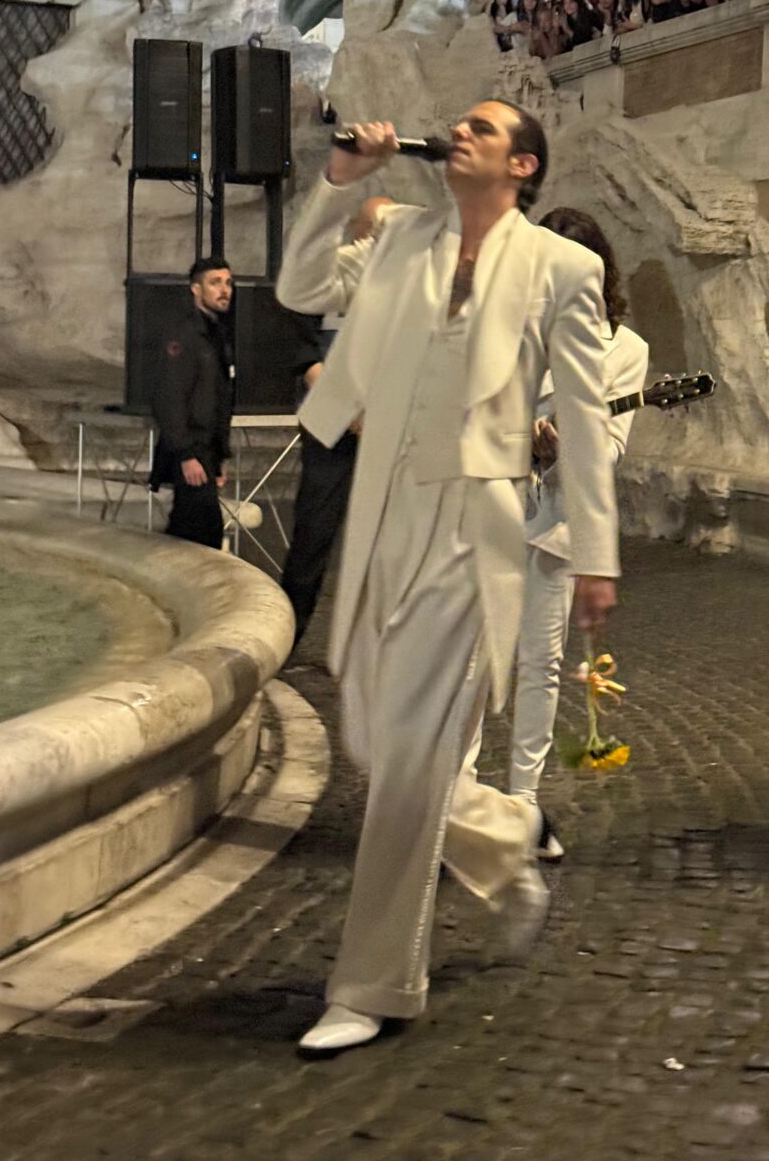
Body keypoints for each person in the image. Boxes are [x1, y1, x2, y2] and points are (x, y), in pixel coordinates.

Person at [276, 101, 620, 1056]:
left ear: (524, 164)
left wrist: (596, 556)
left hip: (479, 527)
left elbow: (588, 424)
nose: (456, 133)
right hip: (386, 516)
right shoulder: (402, 238)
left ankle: (373, 983)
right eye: (458, 124)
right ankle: (503, 841)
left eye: (481, 125)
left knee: (412, 758)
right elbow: (301, 288)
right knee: (378, 746)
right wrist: (342, 183)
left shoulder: (563, 268)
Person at [508, 208, 648, 857]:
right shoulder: (506, 326)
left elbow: (610, 449)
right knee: (473, 663)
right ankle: (455, 800)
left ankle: (522, 805)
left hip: (556, 523)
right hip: (488, 509)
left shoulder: (625, 350)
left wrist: (563, 446)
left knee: (538, 666)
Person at [280, 199, 392, 649]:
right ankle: (285, 642)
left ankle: (375, 648)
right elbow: (303, 356)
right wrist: (351, 413)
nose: (379, 240)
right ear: (356, 230)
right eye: (374, 229)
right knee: (313, 537)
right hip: (332, 432)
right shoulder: (324, 282)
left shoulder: (405, 289)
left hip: (386, 432)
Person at [148, 257, 234, 550]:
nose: (224, 290)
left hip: (206, 450)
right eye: (215, 283)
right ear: (195, 289)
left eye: (227, 282)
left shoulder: (216, 334)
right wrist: (186, 454)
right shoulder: (184, 334)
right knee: (200, 534)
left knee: (192, 531)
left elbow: (219, 399)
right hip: (191, 449)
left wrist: (220, 455)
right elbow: (169, 395)